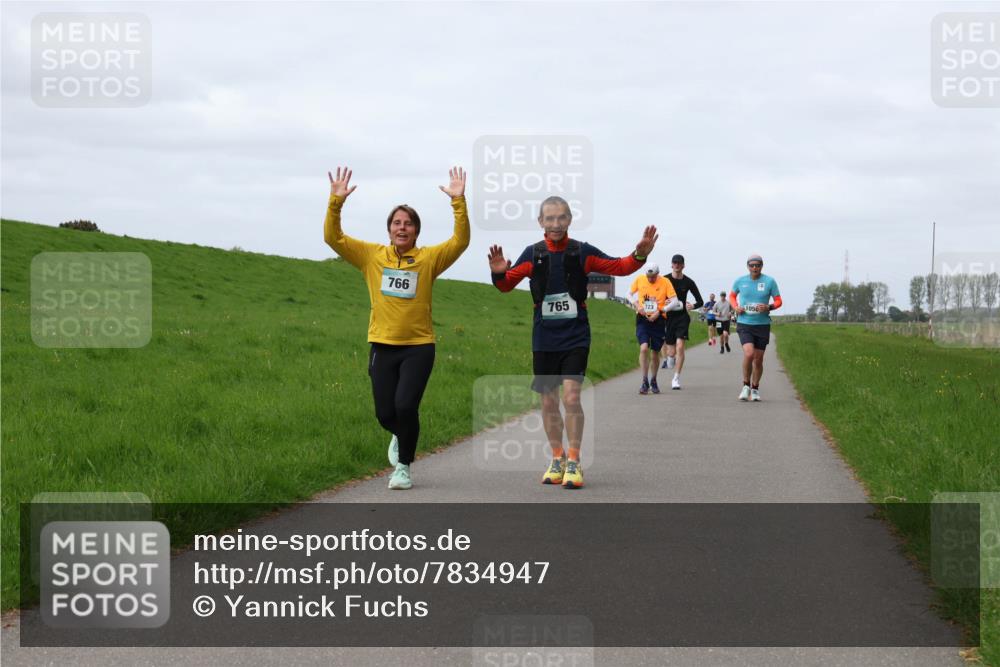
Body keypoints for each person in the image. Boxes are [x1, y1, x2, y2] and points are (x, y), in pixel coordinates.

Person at [489, 196, 657, 489]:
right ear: (541, 222)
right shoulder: (533, 254)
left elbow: (619, 267)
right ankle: (557, 457)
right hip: (544, 337)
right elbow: (505, 286)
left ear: (569, 220)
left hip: (575, 335)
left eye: (561, 218)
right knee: (548, 400)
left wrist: (639, 255)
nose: (555, 224)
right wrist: (498, 271)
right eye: (549, 219)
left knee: (570, 397)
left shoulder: (582, 252)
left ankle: (575, 460)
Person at [324, 166, 470, 489]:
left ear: (416, 231)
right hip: (382, 345)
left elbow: (460, 242)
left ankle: (403, 467)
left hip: (419, 346)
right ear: (389, 229)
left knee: (406, 405)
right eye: (396, 223)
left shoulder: (429, 259)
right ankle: (399, 434)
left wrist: (458, 202)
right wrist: (336, 203)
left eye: (408, 224)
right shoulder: (372, 257)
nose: (402, 228)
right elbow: (332, 238)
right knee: (385, 413)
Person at [730, 254, 782, 401]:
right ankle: (746, 386)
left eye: (757, 265)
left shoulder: (769, 281)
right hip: (745, 323)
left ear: (761, 266)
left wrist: (768, 307)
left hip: (762, 325)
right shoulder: (740, 281)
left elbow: (779, 301)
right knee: (749, 353)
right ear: (748, 266)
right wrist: (735, 307)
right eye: (752, 265)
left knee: (758, 360)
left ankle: (755, 388)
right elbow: (732, 296)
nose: (754, 268)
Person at [661, 254, 704, 390]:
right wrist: (664, 301)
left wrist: (693, 306)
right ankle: (670, 358)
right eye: (675, 263)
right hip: (668, 317)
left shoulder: (688, 282)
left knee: (680, 346)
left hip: (682, 317)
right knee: (671, 352)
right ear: (671, 264)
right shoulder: (664, 279)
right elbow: (657, 296)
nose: (677, 265)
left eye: (680, 263)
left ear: (683, 265)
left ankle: (676, 378)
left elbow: (700, 301)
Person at [631, 264, 675, 394]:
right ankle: (644, 381)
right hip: (642, 319)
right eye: (648, 277)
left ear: (658, 274)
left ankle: (654, 380)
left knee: (655, 352)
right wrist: (637, 305)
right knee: (644, 348)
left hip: (659, 320)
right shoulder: (639, 279)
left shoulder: (665, 282)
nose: (650, 279)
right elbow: (628, 293)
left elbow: (675, 301)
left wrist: (661, 311)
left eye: (653, 277)